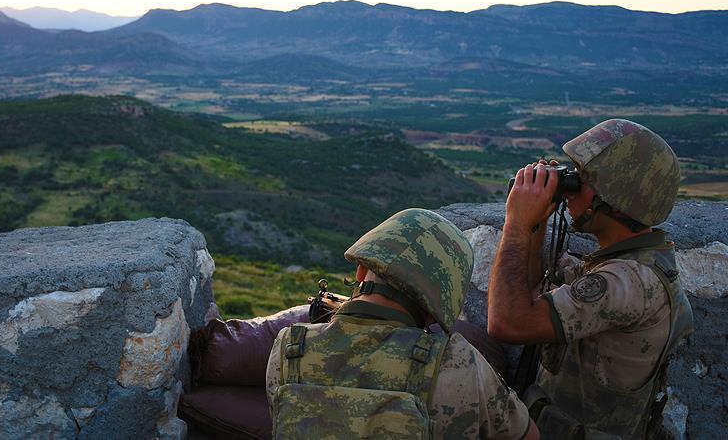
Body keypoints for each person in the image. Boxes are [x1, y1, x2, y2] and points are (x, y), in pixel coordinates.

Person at [488, 119, 694, 438]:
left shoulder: (629, 282)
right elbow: (532, 294)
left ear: (614, 201)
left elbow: (507, 323)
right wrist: (536, 223)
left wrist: (516, 222)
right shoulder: (626, 261)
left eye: (581, 179)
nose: (570, 187)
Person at [266, 208, 539, 439]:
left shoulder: (289, 349)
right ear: (433, 312)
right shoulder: (458, 361)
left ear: (361, 270)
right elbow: (527, 435)